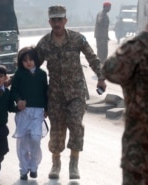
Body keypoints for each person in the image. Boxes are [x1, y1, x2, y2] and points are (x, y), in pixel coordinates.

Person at [35, 5, 106, 180]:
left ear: (65, 20)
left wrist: (101, 77)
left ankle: (74, 164)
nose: (57, 23)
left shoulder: (77, 39)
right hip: (55, 95)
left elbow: (92, 57)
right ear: (49, 21)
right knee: (57, 129)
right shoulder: (44, 43)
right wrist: (14, 81)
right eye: (54, 20)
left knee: (75, 124)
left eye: (60, 19)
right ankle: (56, 163)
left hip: (76, 92)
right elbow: (31, 67)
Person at [102, 25, 148, 185]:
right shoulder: (139, 49)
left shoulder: (138, 48)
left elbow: (109, 69)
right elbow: (109, 70)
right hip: (140, 153)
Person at [10, 46, 48, 180]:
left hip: (38, 112)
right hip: (23, 112)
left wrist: (47, 108)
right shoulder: (19, 74)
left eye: (31, 59)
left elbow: (46, 92)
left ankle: (34, 166)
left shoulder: (42, 74)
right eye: (25, 60)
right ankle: (24, 169)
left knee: (36, 139)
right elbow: (13, 90)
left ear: (36, 60)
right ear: (21, 62)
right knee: (22, 142)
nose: (29, 62)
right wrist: (18, 100)